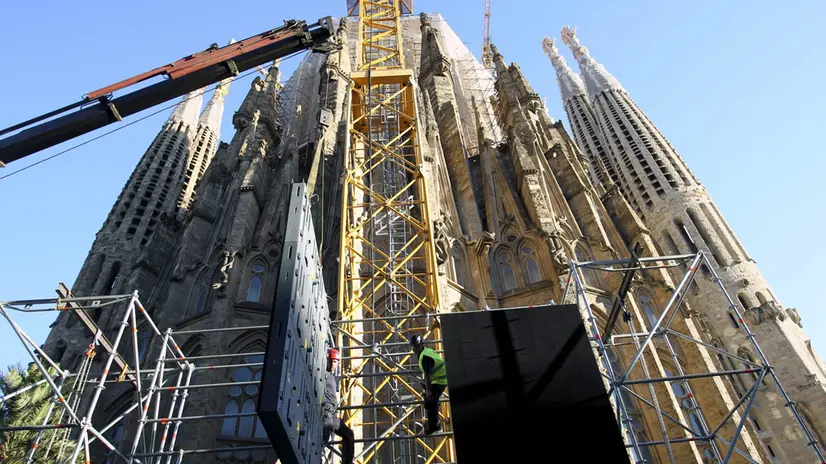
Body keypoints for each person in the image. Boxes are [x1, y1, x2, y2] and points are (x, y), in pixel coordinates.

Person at [409, 334, 447, 434]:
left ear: (421, 345)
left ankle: (435, 427)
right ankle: (434, 404)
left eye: (415, 346)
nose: (413, 348)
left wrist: (429, 391)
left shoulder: (425, 357)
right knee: (427, 394)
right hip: (438, 378)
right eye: (412, 346)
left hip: (440, 380)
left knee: (430, 402)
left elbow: (427, 374)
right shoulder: (425, 352)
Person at [323, 348, 354, 464]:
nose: (332, 364)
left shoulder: (330, 376)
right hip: (327, 417)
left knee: (349, 434)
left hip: (330, 415)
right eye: (331, 361)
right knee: (349, 434)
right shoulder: (323, 372)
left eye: (335, 361)